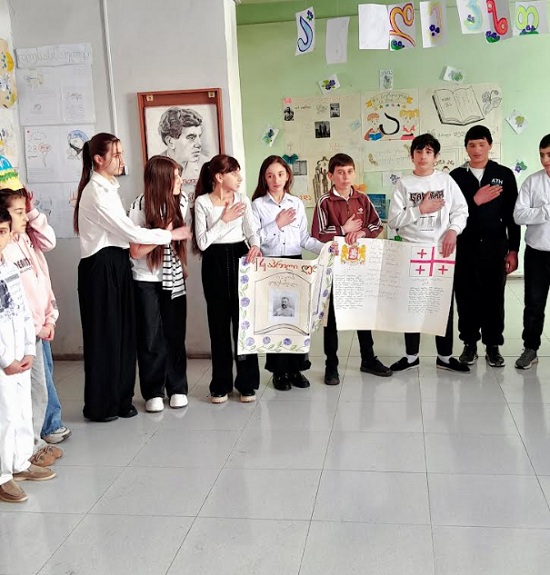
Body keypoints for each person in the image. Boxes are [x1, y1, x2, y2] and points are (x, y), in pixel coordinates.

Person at [74, 133, 191, 422]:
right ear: (98, 159)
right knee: (108, 337)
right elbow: (131, 235)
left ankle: (121, 400)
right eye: (116, 155)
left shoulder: (110, 188)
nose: (122, 160)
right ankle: (103, 405)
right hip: (102, 267)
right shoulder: (96, 192)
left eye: (121, 153)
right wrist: (169, 234)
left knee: (125, 336)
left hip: (117, 264)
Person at [0, 165, 69, 468]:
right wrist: (36, 327)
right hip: (23, 334)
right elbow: (17, 301)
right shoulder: (6, 249)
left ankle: (33, 443)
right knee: (28, 392)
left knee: (39, 388)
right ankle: (27, 449)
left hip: (39, 329)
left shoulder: (26, 239)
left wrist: (51, 317)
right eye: (18, 212)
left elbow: (43, 280)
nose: (25, 216)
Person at [387, 133, 469, 373]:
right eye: (419, 151)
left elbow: (461, 210)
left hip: (442, 250)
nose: (423, 156)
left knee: (442, 303)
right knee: (411, 303)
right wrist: (420, 209)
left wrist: (453, 230)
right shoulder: (404, 184)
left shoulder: (446, 181)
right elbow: (394, 221)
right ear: (411, 155)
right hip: (412, 250)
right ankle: (411, 356)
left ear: (436, 156)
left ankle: (445, 356)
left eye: (428, 152)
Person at [311, 152, 391, 385]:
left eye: (349, 171)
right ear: (330, 176)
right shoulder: (324, 202)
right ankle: (331, 365)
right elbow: (318, 233)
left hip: (359, 265)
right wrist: (343, 230)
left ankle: (368, 358)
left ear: (354, 173)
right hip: (335, 267)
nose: (345, 177)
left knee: (362, 312)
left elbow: (376, 224)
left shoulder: (362, 199)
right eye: (340, 172)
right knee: (333, 318)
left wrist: (363, 232)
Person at [252, 155, 324, 391]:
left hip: (295, 264)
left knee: (296, 319)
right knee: (276, 319)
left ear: (287, 176)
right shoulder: (258, 205)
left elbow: (304, 239)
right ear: (264, 178)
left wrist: (327, 248)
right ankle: (278, 371)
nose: (276, 180)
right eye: (270, 175)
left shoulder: (297, 203)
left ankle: (296, 369)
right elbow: (254, 239)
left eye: (280, 174)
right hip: (271, 266)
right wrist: (277, 224)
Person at [450, 125, 519, 367]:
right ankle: (469, 344)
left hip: (495, 247)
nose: (477, 149)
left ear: (490, 145)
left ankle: (493, 345)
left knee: (493, 297)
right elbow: (450, 214)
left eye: (481, 144)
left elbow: (512, 216)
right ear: (466, 148)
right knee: (466, 296)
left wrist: (513, 250)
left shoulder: (504, 174)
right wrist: (475, 200)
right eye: (472, 145)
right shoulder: (456, 177)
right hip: (464, 247)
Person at [194, 154, 261, 403]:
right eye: (234, 172)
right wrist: (224, 220)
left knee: (244, 323)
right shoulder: (202, 202)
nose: (239, 177)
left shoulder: (243, 200)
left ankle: (247, 383)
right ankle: (220, 384)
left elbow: (251, 232)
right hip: (214, 262)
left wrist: (256, 245)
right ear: (219, 177)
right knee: (219, 324)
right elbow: (202, 242)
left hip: (241, 258)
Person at [0, 207, 55, 504]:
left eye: (4, 232)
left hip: (20, 355)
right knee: (5, 416)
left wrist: (28, 350)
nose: (2, 238)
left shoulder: (9, 268)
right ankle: (2, 476)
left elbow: (22, 314)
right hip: (3, 361)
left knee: (22, 410)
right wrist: (5, 359)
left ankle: (20, 462)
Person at [128, 156, 192, 413]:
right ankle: (153, 391)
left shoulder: (182, 201)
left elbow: (181, 240)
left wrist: (181, 263)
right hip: (146, 279)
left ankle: (177, 387)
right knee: (150, 337)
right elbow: (135, 251)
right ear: (161, 180)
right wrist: (167, 234)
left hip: (173, 277)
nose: (180, 181)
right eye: (175, 176)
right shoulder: (139, 206)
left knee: (175, 335)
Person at [513, 134, 550, 369]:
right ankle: (530, 348)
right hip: (537, 253)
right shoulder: (532, 182)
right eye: (542, 155)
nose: (545, 160)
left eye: (549, 155)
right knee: (534, 303)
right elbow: (518, 215)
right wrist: (544, 211)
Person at [158, 107, 209, 185]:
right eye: (191, 138)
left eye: (199, 136)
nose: (199, 144)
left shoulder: (206, 165)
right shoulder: (156, 167)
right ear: (170, 141)